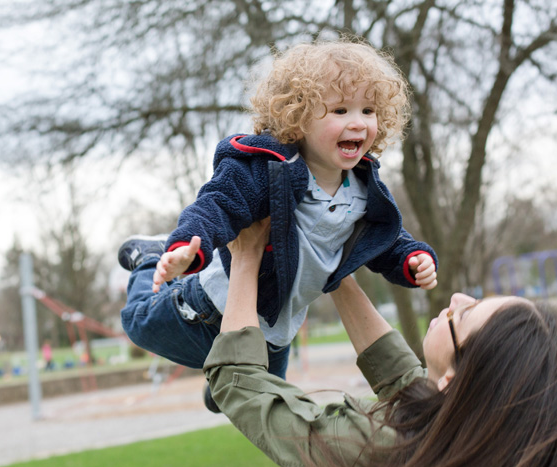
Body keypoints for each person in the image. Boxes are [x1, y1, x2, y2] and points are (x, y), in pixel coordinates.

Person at [204, 218, 557, 467]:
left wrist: (246, 256)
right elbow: (404, 381)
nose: (456, 299)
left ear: (455, 380)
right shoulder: (484, 461)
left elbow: (239, 382)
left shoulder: (379, 454)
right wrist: (334, 269)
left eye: (464, 316)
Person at [118, 38, 438, 411]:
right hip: (209, 309)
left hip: (276, 330)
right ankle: (147, 255)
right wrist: (185, 247)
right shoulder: (266, 169)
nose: (358, 122)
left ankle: (217, 383)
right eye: (340, 110)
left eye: (368, 110)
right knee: (137, 323)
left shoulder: (365, 188)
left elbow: (386, 238)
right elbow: (217, 205)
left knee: (259, 401)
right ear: (298, 118)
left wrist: (413, 259)